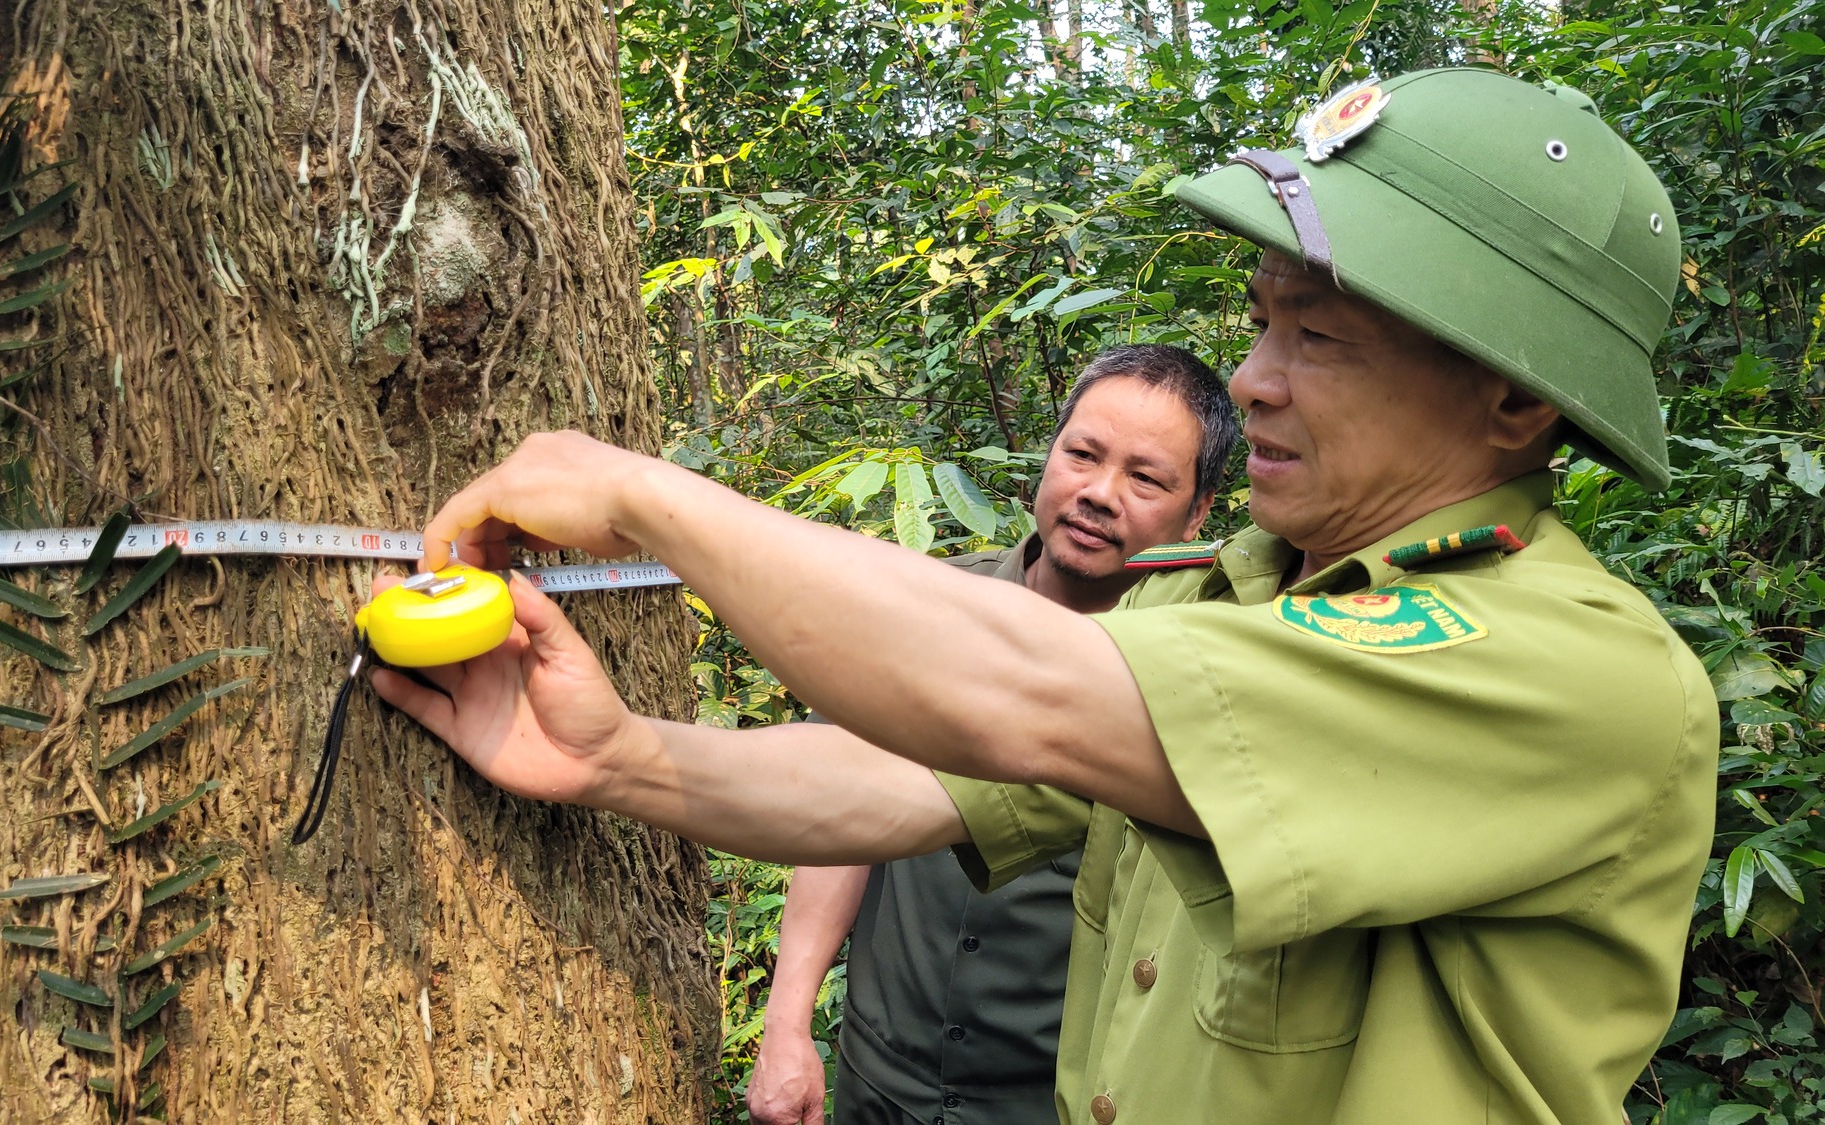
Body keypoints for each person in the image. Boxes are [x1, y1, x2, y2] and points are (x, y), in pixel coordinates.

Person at [372, 68, 1715, 1124]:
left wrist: (647, 497)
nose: (1252, 379)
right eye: (1261, 322)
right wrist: (624, 759)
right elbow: (907, 785)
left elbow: (1018, 691)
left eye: (1320, 336)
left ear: (1518, 399)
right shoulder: (1235, 607)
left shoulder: (1557, 668)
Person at [747, 345, 1239, 1125]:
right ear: (1050, 454)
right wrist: (787, 1023)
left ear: (1200, 509)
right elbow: (836, 815)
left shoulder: (1201, 677)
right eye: (1082, 454)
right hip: (878, 1076)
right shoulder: (929, 610)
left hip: (1051, 1100)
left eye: (1145, 478)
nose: (1099, 493)